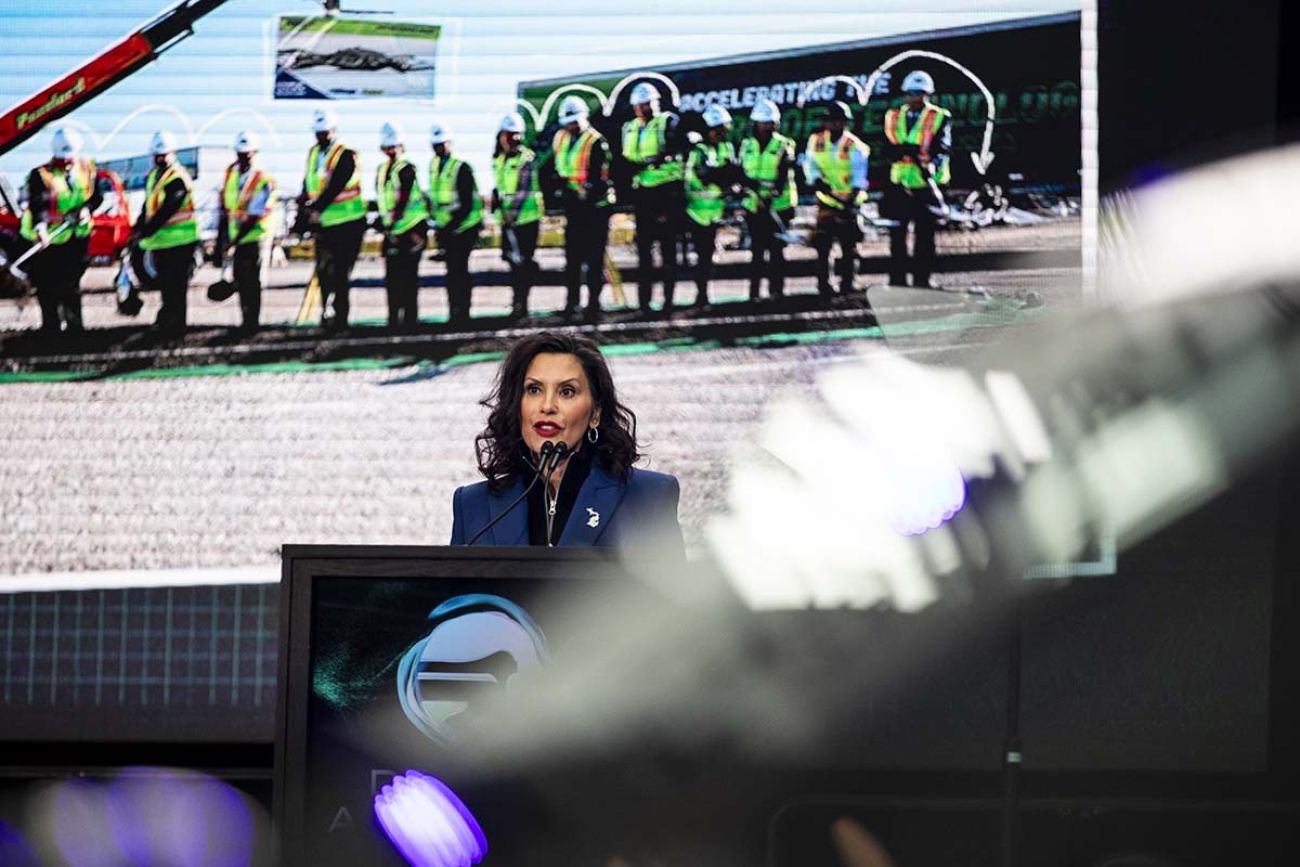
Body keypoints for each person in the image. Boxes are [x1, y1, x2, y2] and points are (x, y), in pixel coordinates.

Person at [450, 331, 683, 554]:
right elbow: (455, 595)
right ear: (516, 404)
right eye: (534, 389)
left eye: (567, 391)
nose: (548, 406)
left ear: (595, 414)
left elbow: (670, 594)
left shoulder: (648, 497)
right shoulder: (472, 505)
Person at [19, 126, 101, 334]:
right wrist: (41, 227)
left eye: (69, 158)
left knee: (71, 284)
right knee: (46, 285)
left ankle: (75, 327)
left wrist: (86, 209)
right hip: (50, 241)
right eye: (62, 159)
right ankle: (51, 327)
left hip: (77, 238)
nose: (67, 162)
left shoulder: (88, 168)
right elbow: (40, 204)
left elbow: (96, 197)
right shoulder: (41, 175)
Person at [882, 70, 953, 289]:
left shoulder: (940, 116)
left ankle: (923, 280)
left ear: (928, 95)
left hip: (927, 186)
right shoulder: (892, 116)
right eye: (912, 93)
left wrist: (933, 164)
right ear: (905, 94)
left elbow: (943, 147)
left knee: (925, 235)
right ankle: (897, 281)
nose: (915, 98)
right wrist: (904, 151)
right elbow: (888, 147)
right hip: (900, 184)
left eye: (920, 94)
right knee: (897, 235)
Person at [550, 95, 614, 322]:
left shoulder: (596, 141)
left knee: (594, 260)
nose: (571, 126)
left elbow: (601, 178)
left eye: (574, 121)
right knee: (573, 259)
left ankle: (594, 306)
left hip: (595, 208)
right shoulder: (560, 139)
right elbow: (556, 170)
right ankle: (572, 304)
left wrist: (586, 191)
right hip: (574, 207)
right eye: (567, 122)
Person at [621, 81, 683, 314]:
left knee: (667, 250)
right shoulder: (630, 127)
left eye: (646, 104)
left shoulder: (668, 122)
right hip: (643, 194)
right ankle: (644, 302)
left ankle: (667, 302)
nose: (642, 109)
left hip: (666, 192)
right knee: (644, 250)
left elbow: (675, 155)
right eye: (638, 105)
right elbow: (627, 159)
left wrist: (656, 162)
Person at [301, 108, 364, 333]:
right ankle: (326, 313)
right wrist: (304, 216)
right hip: (325, 225)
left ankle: (341, 320)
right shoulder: (312, 155)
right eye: (318, 132)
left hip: (349, 223)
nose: (321, 136)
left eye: (324, 132)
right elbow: (308, 186)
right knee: (324, 272)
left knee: (341, 274)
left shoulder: (346, 154)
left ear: (334, 131)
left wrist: (316, 207)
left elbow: (337, 184)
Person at [130, 130, 198, 334]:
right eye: (157, 155)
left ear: (173, 153)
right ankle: (168, 319)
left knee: (177, 286)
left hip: (181, 241)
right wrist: (137, 227)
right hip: (162, 241)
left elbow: (167, 209)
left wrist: (145, 232)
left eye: (163, 155)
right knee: (167, 286)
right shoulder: (154, 176)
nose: (160, 158)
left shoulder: (177, 177)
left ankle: (176, 325)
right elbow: (149, 206)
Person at [214, 130, 276, 333]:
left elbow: (254, 214)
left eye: (246, 154)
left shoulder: (263, 179)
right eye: (240, 154)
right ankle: (245, 319)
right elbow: (226, 208)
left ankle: (252, 322)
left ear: (254, 153)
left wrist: (234, 241)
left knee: (253, 280)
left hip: (255, 235)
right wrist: (223, 239)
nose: (243, 158)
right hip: (237, 237)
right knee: (240, 278)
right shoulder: (230, 173)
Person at [805, 101, 869, 295]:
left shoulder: (855, 146)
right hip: (826, 202)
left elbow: (859, 177)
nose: (833, 125)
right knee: (823, 246)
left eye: (837, 121)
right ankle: (824, 285)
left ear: (844, 123)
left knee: (849, 246)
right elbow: (810, 164)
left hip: (849, 204)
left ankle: (848, 283)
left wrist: (850, 201)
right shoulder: (816, 140)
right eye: (830, 121)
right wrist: (815, 179)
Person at [684, 105, 744, 308]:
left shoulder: (726, 148)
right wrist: (723, 179)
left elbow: (732, 174)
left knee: (708, 256)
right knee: (701, 254)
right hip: (696, 211)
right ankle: (700, 295)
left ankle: (705, 294)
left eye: (723, 129)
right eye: (717, 129)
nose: (721, 134)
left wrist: (731, 184)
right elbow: (704, 176)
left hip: (714, 211)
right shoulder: (698, 150)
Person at [739, 99, 797, 302]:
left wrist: (770, 198)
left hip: (778, 206)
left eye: (770, 123)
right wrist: (750, 189)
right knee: (756, 250)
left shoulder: (784, 144)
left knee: (776, 249)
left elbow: (783, 174)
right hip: (754, 205)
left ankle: (776, 292)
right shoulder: (747, 145)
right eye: (763, 123)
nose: (767, 127)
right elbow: (742, 173)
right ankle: (753, 293)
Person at [428, 122, 483, 326]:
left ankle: (463, 313)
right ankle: (455, 311)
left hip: (464, 227)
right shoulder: (434, 166)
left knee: (459, 270)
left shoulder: (461, 167)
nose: (439, 148)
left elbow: (467, 204)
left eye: (442, 144)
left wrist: (448, 229)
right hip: (448, 228)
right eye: (435, 145)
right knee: (452, 272)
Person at [376, 121, 429, 329]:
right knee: (392, 278)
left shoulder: (407, 168)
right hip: (393, 230)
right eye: (388, 147)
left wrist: (392, 223)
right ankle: (393, 319)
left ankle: (409, 320)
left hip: (411, 229)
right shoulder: (382, 170)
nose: (392, 151)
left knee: (408, 277)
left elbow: (404, 199)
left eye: (395, 147)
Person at [492, 112, 543, 320]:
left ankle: (523, 304)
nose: (511, 139)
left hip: (526, 219)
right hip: (508, 219)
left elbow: (523, 189)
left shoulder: (526, 158)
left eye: (515, 135)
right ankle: (516, 302)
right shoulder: (500, 159)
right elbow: (501, 187)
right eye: (507, 134)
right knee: (512, 262)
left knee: (524, 262)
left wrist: (511, 213)